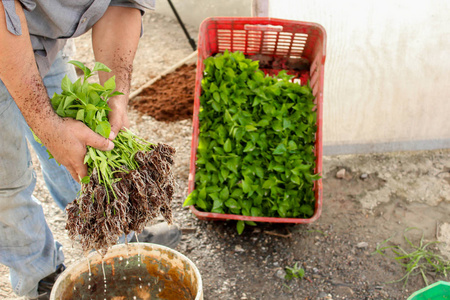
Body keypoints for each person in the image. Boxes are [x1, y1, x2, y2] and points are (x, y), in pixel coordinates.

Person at [0, 1, 180, 299]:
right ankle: (38, 277)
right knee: (6, 183)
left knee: (82, 144)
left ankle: (116, 233)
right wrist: (47, 126)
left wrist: (116, 96)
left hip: (43, 40)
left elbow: (122, 5)